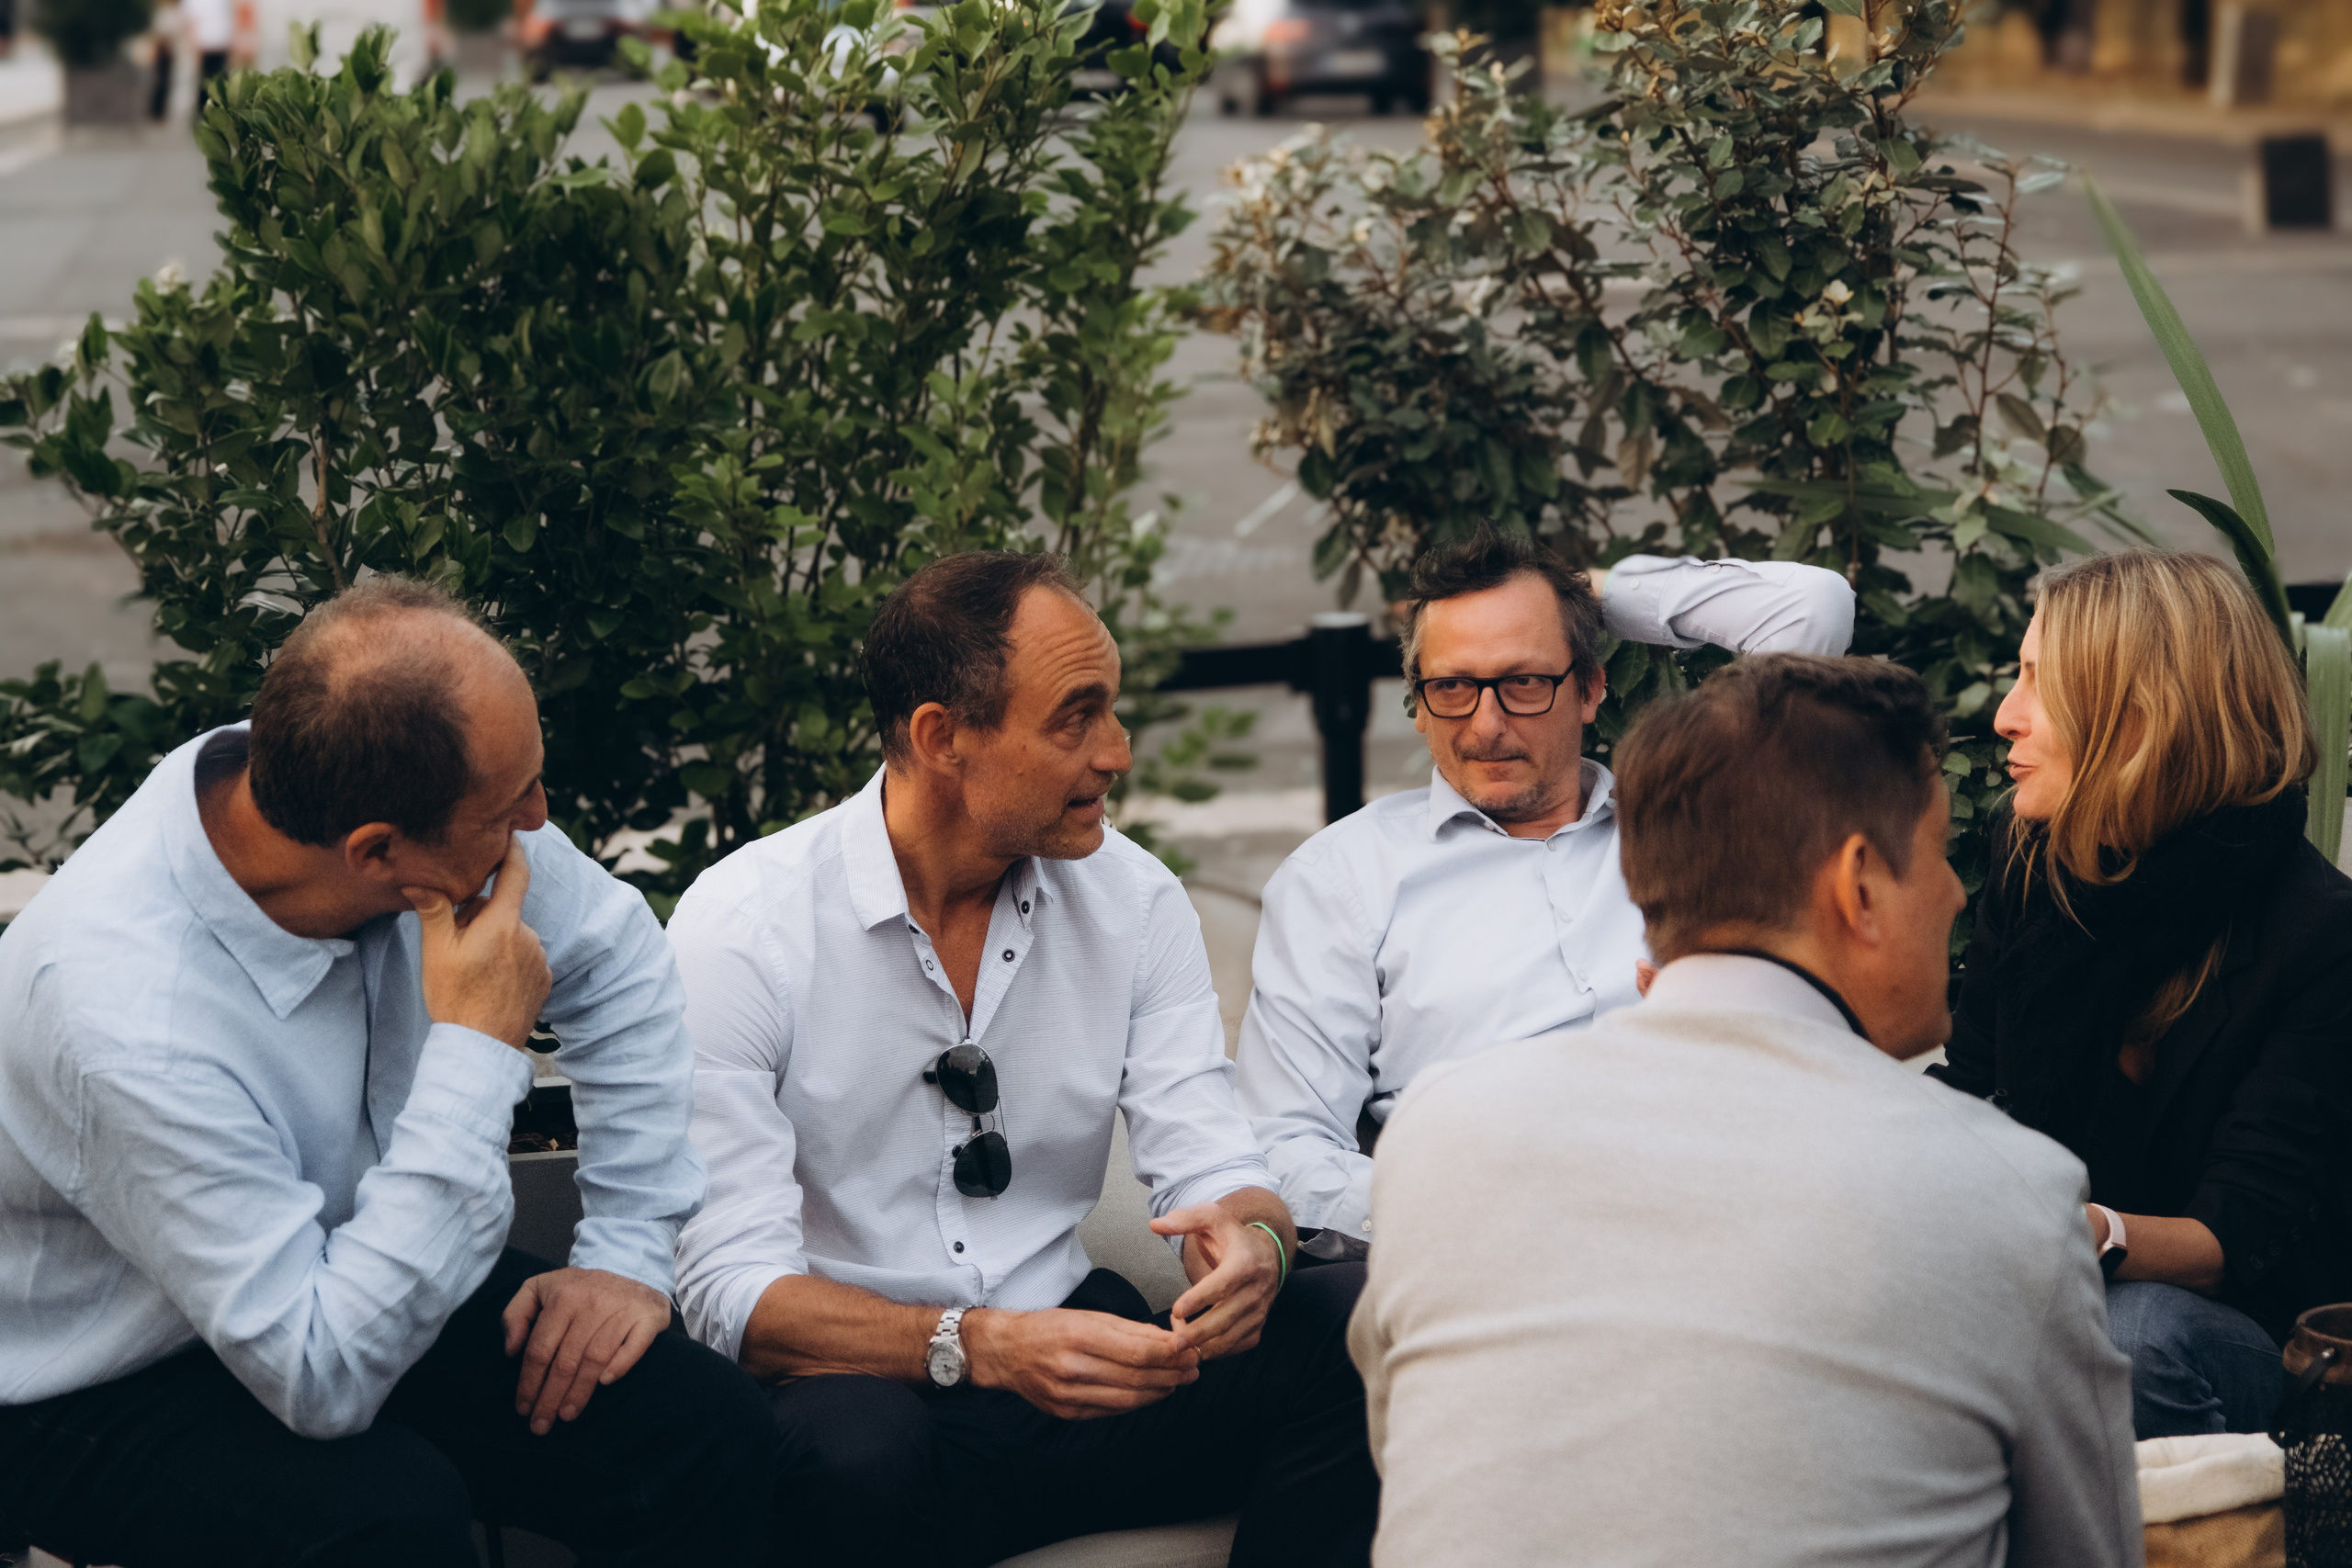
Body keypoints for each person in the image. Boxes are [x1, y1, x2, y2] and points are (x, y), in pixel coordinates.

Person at [0, 579, 775, 1567]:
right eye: (512, 804)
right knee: (380, 1516)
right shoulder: (124, 1017)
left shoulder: (367, 777)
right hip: (98, 1372)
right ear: (378, 853)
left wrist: (625, 1254)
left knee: (700, 1427)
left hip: (364, 1257)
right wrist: (479, 1047)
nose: (539, 820)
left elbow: (617, 955)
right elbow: (324, 1378)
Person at [1347, 654, 2142, 1568]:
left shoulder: (1440, 1130)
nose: (1957, 893)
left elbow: (1411, 1450)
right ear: (1858, 888)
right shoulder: (2007, 1189)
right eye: (1933, 854)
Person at [670, 550, 1378, 1568]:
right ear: (940, 738)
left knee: (1355, 1317)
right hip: (863, 1387)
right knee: (853, 1456)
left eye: (1113, 712)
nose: (1117, 753)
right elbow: (730, 1295)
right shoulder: (743, 930)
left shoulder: (1134, 901)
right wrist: (978, 1346)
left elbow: (1219, 1164)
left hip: (1084, 1365)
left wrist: (1252, 1247)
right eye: (1075, 717)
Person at [1236, 530, 1855, 1258]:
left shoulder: (1698, 822)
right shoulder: (1341, 879)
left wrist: (1578, 592)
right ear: (1418, 704)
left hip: (1723, 1217)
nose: (1487, 725)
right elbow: (1285, 1142)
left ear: (1590, 688)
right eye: (1454, 687)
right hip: (1482, 1251)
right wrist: (1470, 1217)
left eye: (1525, 682)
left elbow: (1810, 606)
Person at [1935, 549, 2352, 1438]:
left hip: (2251, 1338)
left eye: (2039, 684)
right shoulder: (2035, 864)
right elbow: (1968, 1088)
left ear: (2137, 723)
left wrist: (2083, 1233)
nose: (2005, 716)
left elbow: (2237, 1236)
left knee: (2136, 1337)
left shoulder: (2317, 933)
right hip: (2042, 1282)